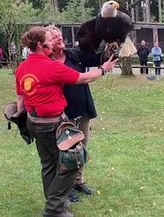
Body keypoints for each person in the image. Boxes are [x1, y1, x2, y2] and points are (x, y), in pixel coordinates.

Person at [15, 26, 117, 217]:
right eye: (49, 39)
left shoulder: (22, 68)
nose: (53, 42)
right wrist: (104, 69)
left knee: (48, 164)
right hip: (52, 124)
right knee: (71, 161)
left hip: (34, 122)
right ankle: (54, 209)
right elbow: (83, 77)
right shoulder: (50, 66)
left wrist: (20, 117)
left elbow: (20, 98)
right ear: (40, 44)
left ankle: (58, 205)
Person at [48, 26, 100, 203]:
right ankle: (66, 186)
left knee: (81, 148)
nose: (59, 39)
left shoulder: (73, 54)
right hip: (63, 114)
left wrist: (110, 45)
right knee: (65, 152)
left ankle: (78, 181)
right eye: (54, 37)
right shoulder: (48, 62)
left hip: (83, 108)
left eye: (59, 36)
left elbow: (97, 57)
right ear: (48, 42)